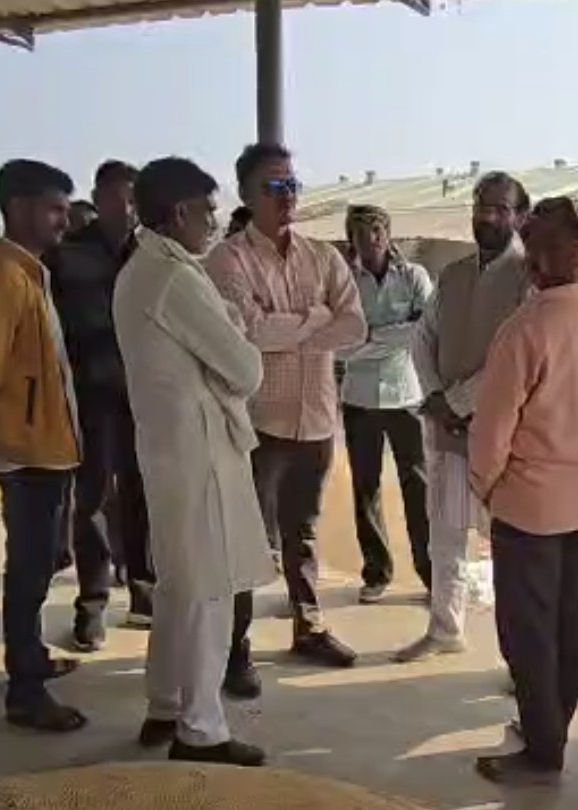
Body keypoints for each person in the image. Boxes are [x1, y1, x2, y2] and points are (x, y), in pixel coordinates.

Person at [115, 157, 274, 767]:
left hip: (170, 450)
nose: (214, 220)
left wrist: (226, 335)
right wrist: (234, 330)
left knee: (179, 585)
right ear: (179, 212)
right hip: (198, 452)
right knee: (207, 588)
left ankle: (164, 705)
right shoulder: (175, 278)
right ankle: (200, 729)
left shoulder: (143, 268)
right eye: (209, 210)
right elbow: (246, 369)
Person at [468, 197, 578, 785]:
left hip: (528, 503)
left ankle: (543, 750)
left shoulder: (525, 329)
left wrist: (486, 486)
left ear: (536, 259)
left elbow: (492, 432)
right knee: (567, 620)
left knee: (528, 631)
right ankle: (551, 728)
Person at [206, 143, 365, 669]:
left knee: (305, 531)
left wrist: (288, 328)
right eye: (274, 187)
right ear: (246, 195)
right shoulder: (228, 260)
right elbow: (246, 332)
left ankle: (309, 627)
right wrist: (316, 318)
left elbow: (355, 325)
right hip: (258, 425)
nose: (287, 196)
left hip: (316, 420)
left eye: (293, 185)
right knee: (247, 539)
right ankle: (234, 649)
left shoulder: (323, 256)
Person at [0, 160, 85, 732]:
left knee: (42, 562)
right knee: (28, 571)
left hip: (46, 447)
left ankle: (31, 658)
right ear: (20, 208)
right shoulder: (2, 279)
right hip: (26, 451)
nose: (63, 221)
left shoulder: (31, 273)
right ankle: (25, 691)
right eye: (55, 209)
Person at [394, 172, 532, 664]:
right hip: (447, 431)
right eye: (480, 206)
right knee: (445, 538)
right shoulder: (452, 274)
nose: (486, 217)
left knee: (513, 552)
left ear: (520, 217)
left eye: (499, 208)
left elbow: (517, 359)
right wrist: (435, 396)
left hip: (505, 439)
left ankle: (521, 660)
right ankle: (444, 630)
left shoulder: (530, 278)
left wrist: (458, 402)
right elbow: (422, 338)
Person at [48, 160, 154, 651]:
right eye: (116, 197)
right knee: (90, 500)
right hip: (88, 397)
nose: (126, 208)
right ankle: (91, 604)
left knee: (143, 494)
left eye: (133, 199)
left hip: (145, 397)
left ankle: (144, 591)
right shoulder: (67, 256)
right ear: (97, 198)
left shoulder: (152, 253)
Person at [339, 204, 433, 603]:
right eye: (361, 232)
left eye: (377, 229)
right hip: (359, 399)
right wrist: (393, 335)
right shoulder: (343, 283)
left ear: (389, 233)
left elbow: (425, 330)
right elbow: (339, 346)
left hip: (406, 396)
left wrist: (368, 337)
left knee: (418, 486)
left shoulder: (414, 276)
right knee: (366, 488)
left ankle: (432, 574)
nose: (371, 238)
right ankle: (377, 572)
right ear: (352, 239)